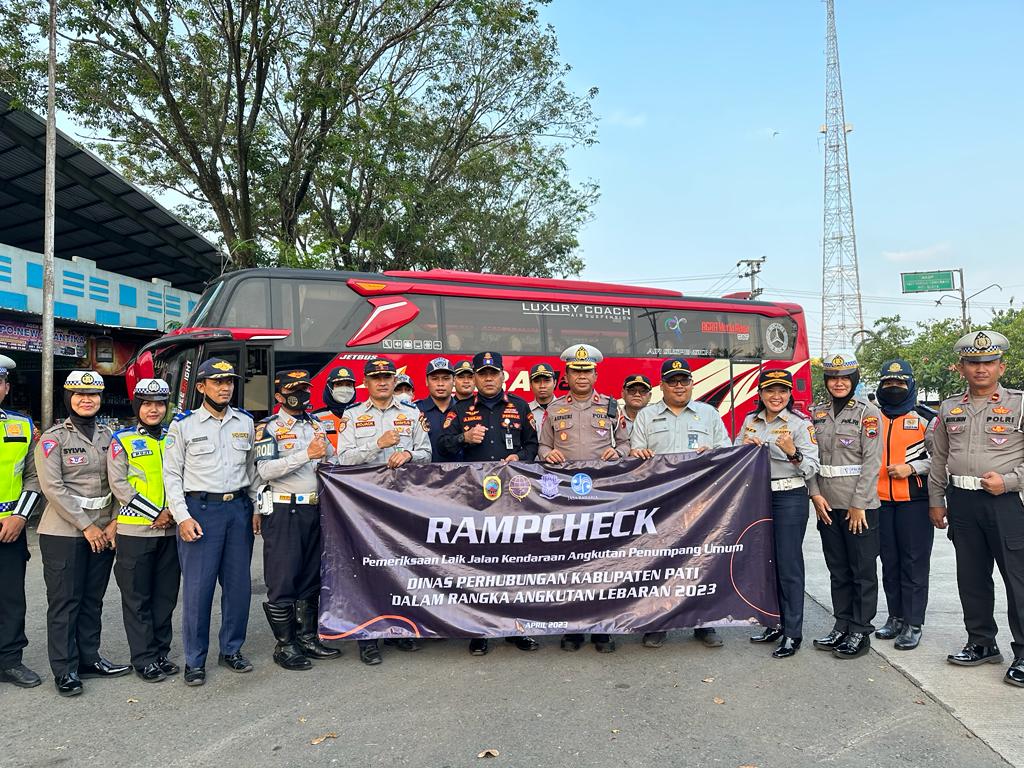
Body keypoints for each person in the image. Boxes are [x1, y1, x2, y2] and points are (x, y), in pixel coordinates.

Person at [928, 330, 1024, 688]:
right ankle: (982, 642)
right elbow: (938, 458)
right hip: (963, 503)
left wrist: (1010, 481)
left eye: (988, 362)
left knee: (1018, 581)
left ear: (1001, 365)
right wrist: (937, 500)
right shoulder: (949, 407)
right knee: (971, 578)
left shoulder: (1020, 405)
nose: (981, 369)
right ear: (961, 367)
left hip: (1006, 503)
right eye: (973, 362)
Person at [438, 351, 540, 656]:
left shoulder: (520, 407)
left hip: (515, 497)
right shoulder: (459, 409)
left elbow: (534, 444)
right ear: (474, 378)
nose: (488, 378)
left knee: (516, 563)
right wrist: (464, 439)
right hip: (476, 500)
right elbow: (441, 446)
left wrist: (520, 457)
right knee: (478, 566)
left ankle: (517, 627)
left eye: (493, 373)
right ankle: (479, 630)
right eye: (482, 374)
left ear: (503, 376)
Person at [164, 358, 257, 687]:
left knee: (238, 588)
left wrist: (256, 507)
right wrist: (182, 516)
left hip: (238, 510)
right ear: (201, 387)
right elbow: (172, 476)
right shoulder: (184, 426)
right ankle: (195, 659)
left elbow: (252, 471)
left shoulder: (244, 422)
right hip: (200, 512)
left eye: (229, 382)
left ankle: (231, 649)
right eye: (217, 382)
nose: (225, 387)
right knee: (198, 590)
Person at [36, 370, 129, 696]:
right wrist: (87, 526)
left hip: (104, 530)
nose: (87, 400)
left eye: (93, 394)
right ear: (68, 398)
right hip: (64, 533)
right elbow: (53, 488)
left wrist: (116, 520)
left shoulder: (109, 437)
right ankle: (65, 669)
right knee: (65, 602)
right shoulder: (53, 439)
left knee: (92, 601)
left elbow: (120, 482)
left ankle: (89, 659)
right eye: (79, 394)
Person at [630, 357, 731, 649]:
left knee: (702, 561)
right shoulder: (646, 416)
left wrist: (712, 451)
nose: (678, 385)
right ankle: (658, 623)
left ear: (692, 383)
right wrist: (639, 454)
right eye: (672, 381)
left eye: (684, 380)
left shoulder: (709, 415)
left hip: (701, 503)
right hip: (662, 503)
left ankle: (704, 623)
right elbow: (635, 455)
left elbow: (727, 452)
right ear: (661, 385)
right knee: (658, 562)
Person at [336, 357, 431, 665]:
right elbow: (343, 459)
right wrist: (377, 444)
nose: (382, 382)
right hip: (362, 504)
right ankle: (369, 637)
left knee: (402, 565)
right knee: (367, 568)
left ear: (394, 380)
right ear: (367, 382)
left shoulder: (411, 413)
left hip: (402, 501)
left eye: (388, 377)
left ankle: (400, 628)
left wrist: (408, 452)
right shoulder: (353, 415)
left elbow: (427, 454)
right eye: (376, 378)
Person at [539, 344, 629, 653]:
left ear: (595, 374)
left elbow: (626, 445)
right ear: (566, 374)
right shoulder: (553, 409)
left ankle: (602, 628)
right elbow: (541, 447)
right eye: (576, 371)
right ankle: (573, 627)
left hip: (601, 497)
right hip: (565, 498)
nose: (581, 376)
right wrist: (547, 452)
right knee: (569, 562)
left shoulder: (610, 405)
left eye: (586, 371)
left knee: (604, 564)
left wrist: (617, 452)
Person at [253, 370, 340, 672]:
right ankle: (285, 645)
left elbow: (331, 461)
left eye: (305, 388)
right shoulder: (269, 427)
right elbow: (264, 470)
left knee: (309, 577)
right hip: (283, 510)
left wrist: (323, 451)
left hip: (315, 510)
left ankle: (307, 637)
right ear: (279, 396)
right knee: (283, 579)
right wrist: (305, 453)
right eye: (295, 389)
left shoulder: (316, 423)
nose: (302, 394)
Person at [737, 369, 820, 658]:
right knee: (765, 564)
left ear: (789, 395)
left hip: (789, 497)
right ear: (760, 394)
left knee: (788, 565)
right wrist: (743, 449)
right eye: (770, 390)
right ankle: (774, 622)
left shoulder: (799, 425)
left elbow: (810, 467)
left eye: (782, 391)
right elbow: (736, 457)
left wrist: (791, 452)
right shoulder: (751, 421)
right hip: (758, 498)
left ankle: (792, 633)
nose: (776, 396)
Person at [807, 352, 884, 660]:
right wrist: (814, 495)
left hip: (858, 507)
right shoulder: (818, 413)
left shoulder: (868, 413)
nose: (838, 383)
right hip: (827, 504)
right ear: (826, 381)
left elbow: (871, 461)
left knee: (862, 570)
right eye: (832, 378)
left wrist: (859, 504)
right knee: (837, 569)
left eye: (844, 378)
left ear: (853, 380)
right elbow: (811, 459)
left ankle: (860, 630)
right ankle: (841, 624)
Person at [107, 378, 181, 683]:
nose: (154, 409)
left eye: (160, 403)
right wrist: (157, 513)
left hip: (169, 532)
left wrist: (174, 513)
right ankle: (144, 658)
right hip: (136, 532)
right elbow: (119, 485)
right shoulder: (121, 440)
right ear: (138, 407)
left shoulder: (173, 438)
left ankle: (161, 652)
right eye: (148, 404)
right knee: (137, 598)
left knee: (165, 597)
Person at [873, 360, 936, 652]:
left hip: (914, 502)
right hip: (881, 503)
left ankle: (913, 623)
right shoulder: (871, 417)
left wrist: (912, 468)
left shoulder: (927, 419)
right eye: (888, 383)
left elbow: (943, 459)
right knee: (890, 563)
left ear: (910, 385)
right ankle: (895, 617)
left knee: (913, 564)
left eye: (900, 383)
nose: (894, 388)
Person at [0, 355, 44, 689]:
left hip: (9, 529)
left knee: (11, 598)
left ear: (5, 387)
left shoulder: (21, 425)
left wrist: (20, 516)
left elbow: (33, 478)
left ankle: (10, 660)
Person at [416, 357, 456, 461]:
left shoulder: (463, 409)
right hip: (424, 474)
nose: (440, 384)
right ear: (426, 381)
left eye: (446, 378)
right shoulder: (415, 410)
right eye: (434, 378)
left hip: (461, 475)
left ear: (454, 381)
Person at [318, 366, 357, 451]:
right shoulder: (317, 417)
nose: (345, 389)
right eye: (339, 384)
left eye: (348, 385)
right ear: (329, 387)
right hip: (328, 463)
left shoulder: (362, 414)